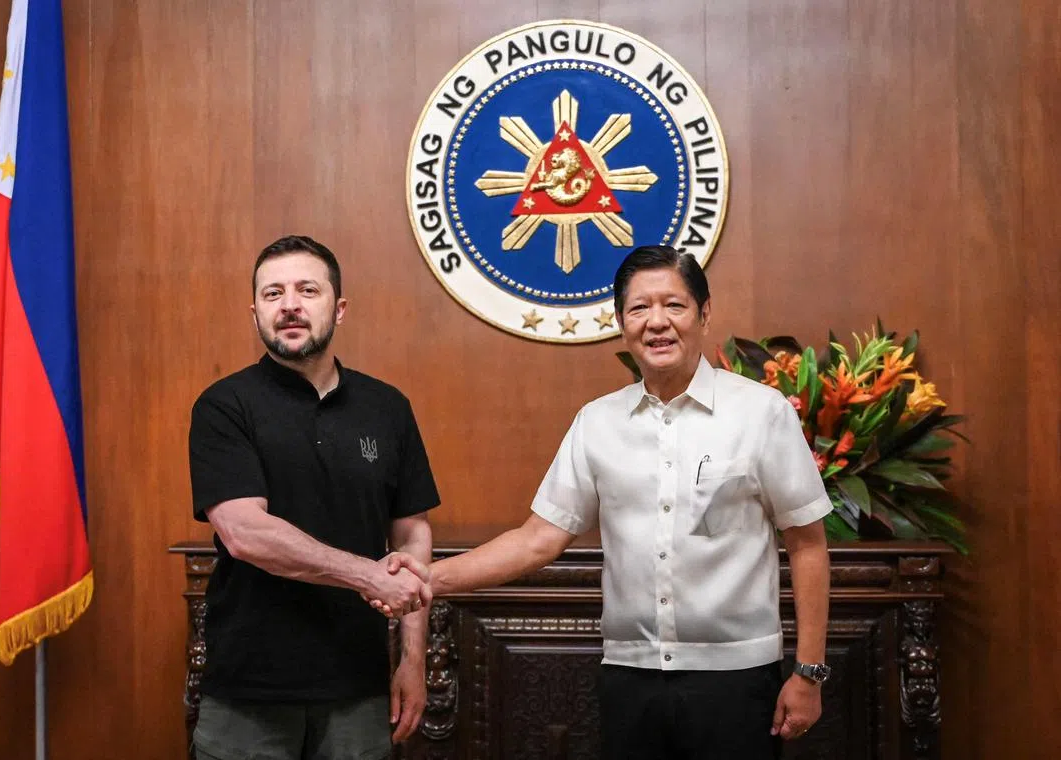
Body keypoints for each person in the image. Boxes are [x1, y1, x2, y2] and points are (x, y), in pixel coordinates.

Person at [379, 245, 832, 759]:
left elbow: (807, 543)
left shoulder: (761, 412)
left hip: (737, 680)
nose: (656, 322)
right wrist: (427, 579)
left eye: (674, 305)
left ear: (705, 314)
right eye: (639, 308)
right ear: (620, 322)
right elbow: (536, 540)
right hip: (629, 678)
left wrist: (808, 672)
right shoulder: (597, 422)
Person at [189, 235, 440, 760]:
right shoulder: (223, 406)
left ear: (339, 308)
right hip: (249, 693)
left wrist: (412, 659)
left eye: (307, 290)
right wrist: (367, 575)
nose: (290, 306)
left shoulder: (387, 407)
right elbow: (244, 533)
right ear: (254, 310)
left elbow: (411, 535)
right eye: (273, 293)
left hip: (359, 687)